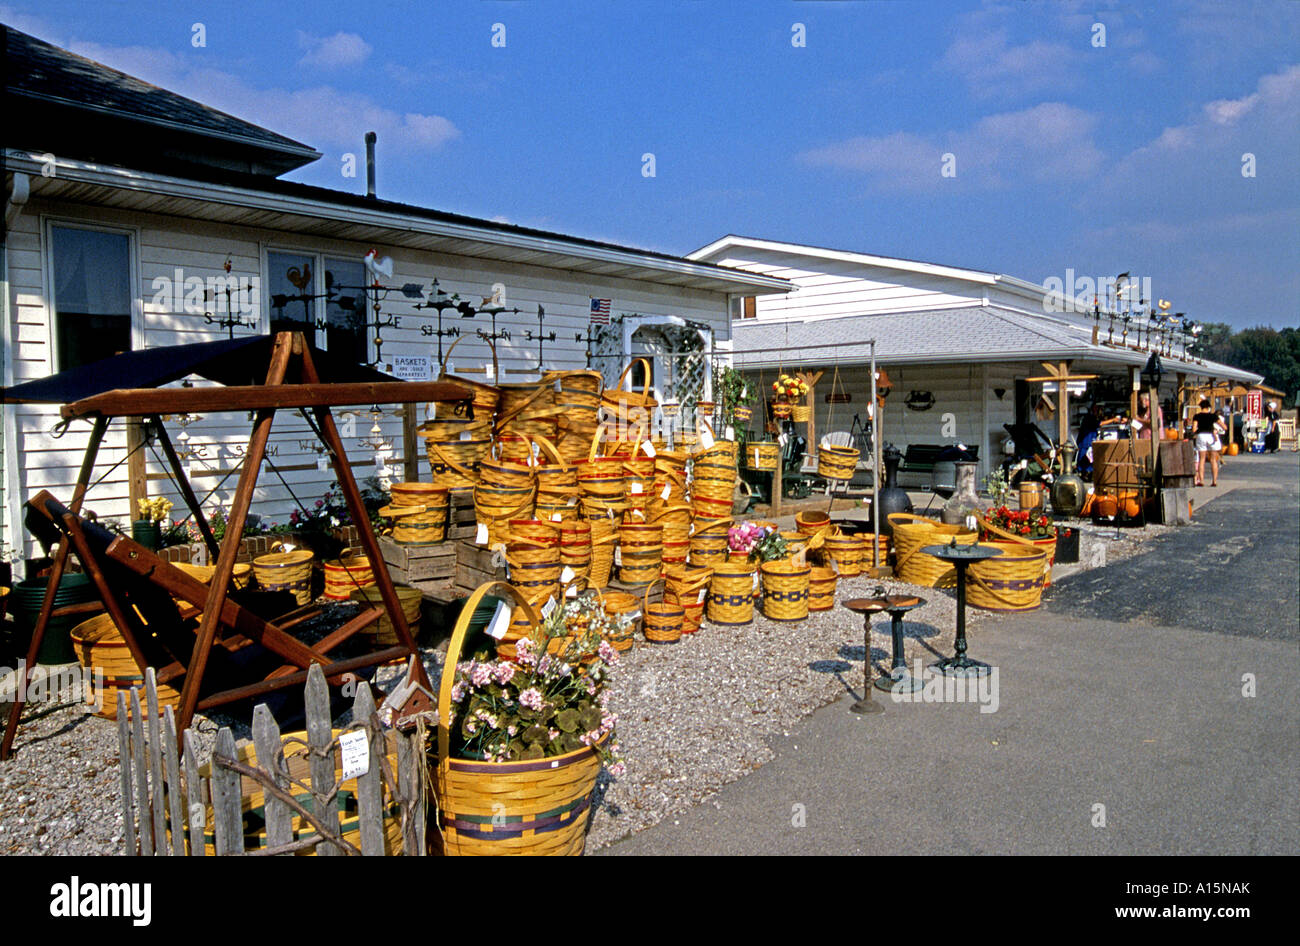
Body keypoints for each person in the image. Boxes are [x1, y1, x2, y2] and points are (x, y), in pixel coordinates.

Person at [1192, 398, 1226, 486]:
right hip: (1211, 436)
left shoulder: (1197, 416)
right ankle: (1214, 481)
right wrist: (1216, 430)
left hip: (1201, 436)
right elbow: (1224, 427)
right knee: (1213, 459)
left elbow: (1194, 429)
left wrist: (1199, 429)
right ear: (1208, 407)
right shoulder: (1213, 416)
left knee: (1201, 459)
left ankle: (1201, 481)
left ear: (1201, 407)